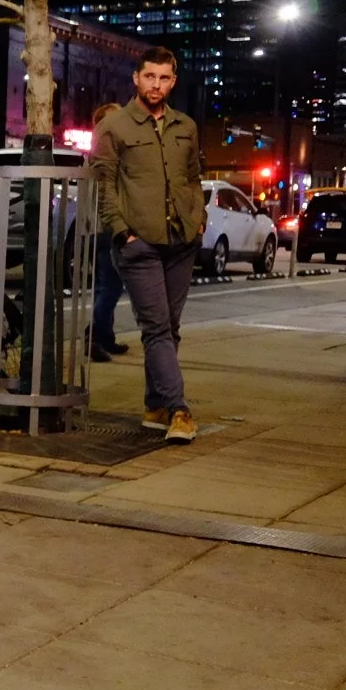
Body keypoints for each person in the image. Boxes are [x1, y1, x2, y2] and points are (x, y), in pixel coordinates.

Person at [90, 46, 207, 444]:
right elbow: (102, 182)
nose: (156, 85)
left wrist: (198, 218)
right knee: (156, 328)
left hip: (182, 241)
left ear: (173, 81)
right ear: (136, 79)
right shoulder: (115, 126)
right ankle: (179, 410)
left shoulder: (186, 126)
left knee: (168, 329)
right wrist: (122, 230)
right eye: (149, 77)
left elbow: (193, 177)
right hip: (138, 244)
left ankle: (156, 405)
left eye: (164, 78)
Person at [88, 102, 130, 362]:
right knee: (111, 287)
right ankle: (95, 336)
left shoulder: (99, 150)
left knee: (106, 286)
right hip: (104, 227)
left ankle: (105, 336)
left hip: (99, 226)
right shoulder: (106, 151)